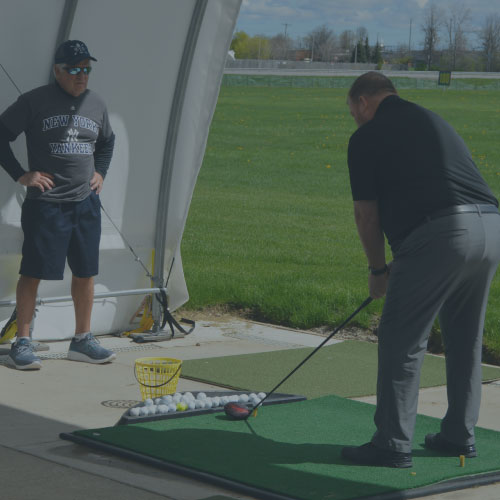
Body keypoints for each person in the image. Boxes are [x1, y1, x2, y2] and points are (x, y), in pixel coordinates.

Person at [341, 72, 500, 468]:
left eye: (352, 111)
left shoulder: (366, 136)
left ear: (362, 101)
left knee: (401, 339)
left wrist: (378, 269)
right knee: (465, 337)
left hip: (443, 233)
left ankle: (392, 444)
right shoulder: (430, 118)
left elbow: (365, 214)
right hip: (490, 227)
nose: (355, 119)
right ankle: (459, 436)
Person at [0, 40, 117, 370]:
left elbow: (107, 142)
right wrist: (22, 174)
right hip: (47, 204)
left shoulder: (96, 104)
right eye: (75, 70)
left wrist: (100, 172)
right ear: (57, 71)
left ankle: (82, 340)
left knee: (86, 272)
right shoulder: (34, 101)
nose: (82, 76)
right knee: (33, 272)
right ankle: (22, 342)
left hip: (85, 204)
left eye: (87, 69)